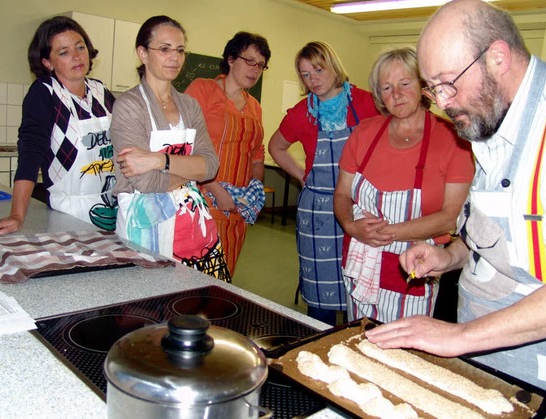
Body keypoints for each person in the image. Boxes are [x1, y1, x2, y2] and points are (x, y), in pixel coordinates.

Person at [365, 1, 546, 417]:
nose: (443, 103)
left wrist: (459, 337)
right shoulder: (490, 121)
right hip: (492, 363)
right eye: (433, 88)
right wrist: (449, 256)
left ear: (498, 57)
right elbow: (496, 233)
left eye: (447, 84)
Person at [334, 47, 474, 324]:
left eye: (404, 83)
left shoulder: (453, 140)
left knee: (403, 352)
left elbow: (450, 218)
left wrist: (385, 233)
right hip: (362, 264)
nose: (396, 94)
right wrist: (351, 226)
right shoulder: (364, 134)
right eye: (386, 88)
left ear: (423, 86)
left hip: (414, 270)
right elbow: (341, 193)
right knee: (357, 338)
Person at [110, 16, 230, 282]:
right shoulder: (129, 106)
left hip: (193, 231)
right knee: (150, 313)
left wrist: (158, 160)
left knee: (198, 311)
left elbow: (211, 165)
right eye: (164, 49)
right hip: (146, 231)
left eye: (179, 50)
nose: (174, 57)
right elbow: (145, 181)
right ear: (143, 53)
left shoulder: (190, 106)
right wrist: (191, 170)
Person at [268, 41, 379, 325]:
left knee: (362, 286)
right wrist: (303, 175)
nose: (313, 79)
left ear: (334, 67)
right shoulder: (301, 112)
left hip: (358, 208)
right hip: (318, 215)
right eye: (305, 74)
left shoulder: (367, 103)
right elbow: (276, 147)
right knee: (320, 295)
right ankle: (319, 346)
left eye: (318, 69)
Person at [0, 16, 116, 235]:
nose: (76, 56)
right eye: (63, 52)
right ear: (47, 62)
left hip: (112, 208)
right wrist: (17, 215)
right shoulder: (45, 93)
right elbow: (30, 154)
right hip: (68, 215)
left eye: (80, 47)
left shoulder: (101, 93)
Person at [185, 31, 271, 277]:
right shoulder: (203, 89)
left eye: (261, 65)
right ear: (231, 59)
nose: (255, 70)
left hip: (237, 210)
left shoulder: (254, 106)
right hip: (203, 203)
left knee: (224, 278)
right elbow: (186, 146)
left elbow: (257, 153)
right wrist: (218, 191)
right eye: (250, 61)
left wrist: (253, 191)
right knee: (195, 279)